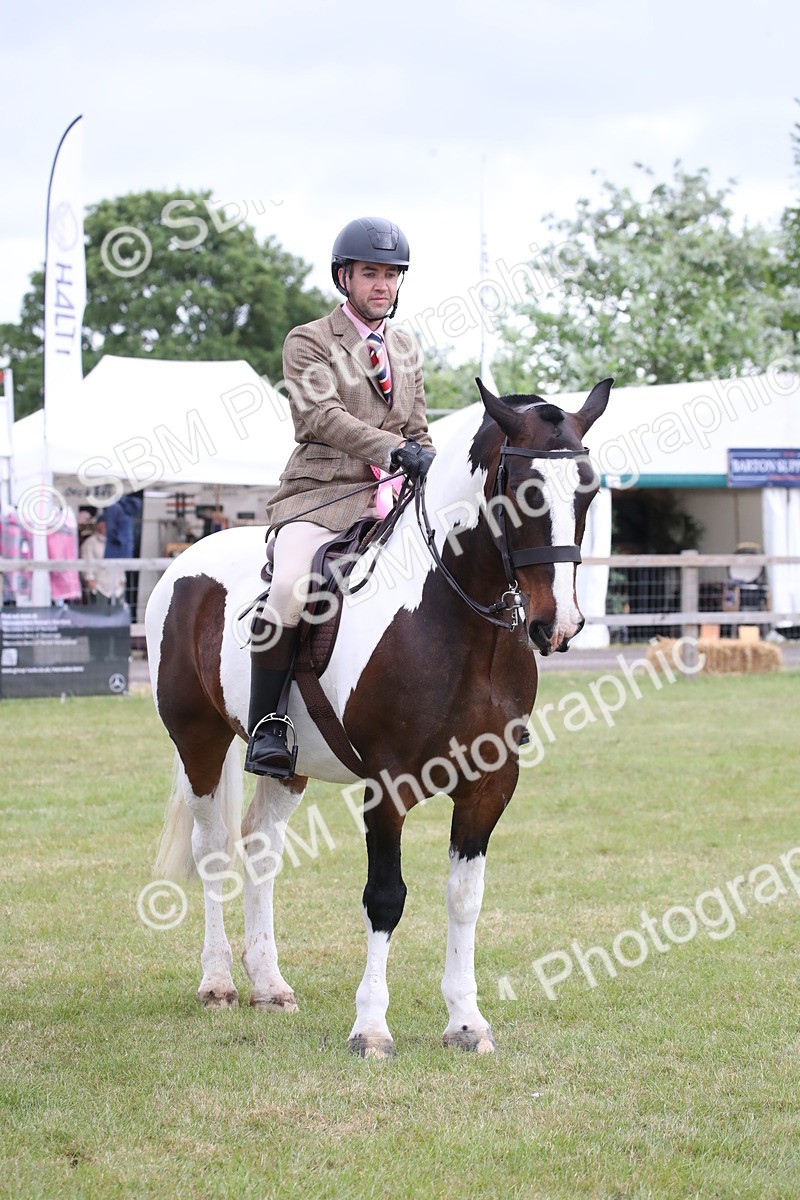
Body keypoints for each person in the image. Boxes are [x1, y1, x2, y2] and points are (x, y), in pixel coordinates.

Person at [245, 216, 435, 778]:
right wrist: (396, 449)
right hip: (321, 495)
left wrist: (428, 458)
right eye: (371, 273)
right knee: (288, 588)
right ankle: (267, 724)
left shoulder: (405, 347)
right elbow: (320, 417)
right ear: (344, 277)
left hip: (396, 496)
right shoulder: (308, 341)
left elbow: (419, 429)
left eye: (392, 275)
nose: (383, 284)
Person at [80, 517, 124, 604]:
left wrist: (122, 578)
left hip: (116, 586)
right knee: (98, 614)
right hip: (99, 586)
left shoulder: (116, 541)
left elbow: (120, 561)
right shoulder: (90, 543)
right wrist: (90, 579)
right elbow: (87, 563)